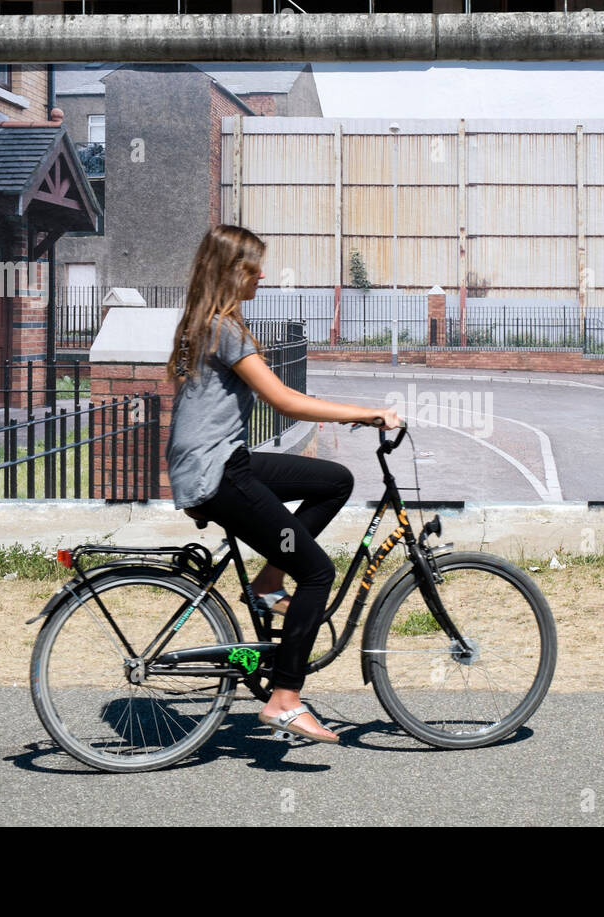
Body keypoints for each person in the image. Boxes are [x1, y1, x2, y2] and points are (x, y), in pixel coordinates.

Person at [164, 224, 401, 745]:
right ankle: (286, 699)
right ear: (231, 271)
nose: (263, 275)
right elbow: (286, 402)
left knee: (333, 480)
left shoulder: (207, 324)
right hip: (218, 473)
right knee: (317, 573)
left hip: (224, 463)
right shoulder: (222, 328)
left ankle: (270, 583)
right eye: (254, 267)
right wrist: (366, 415)